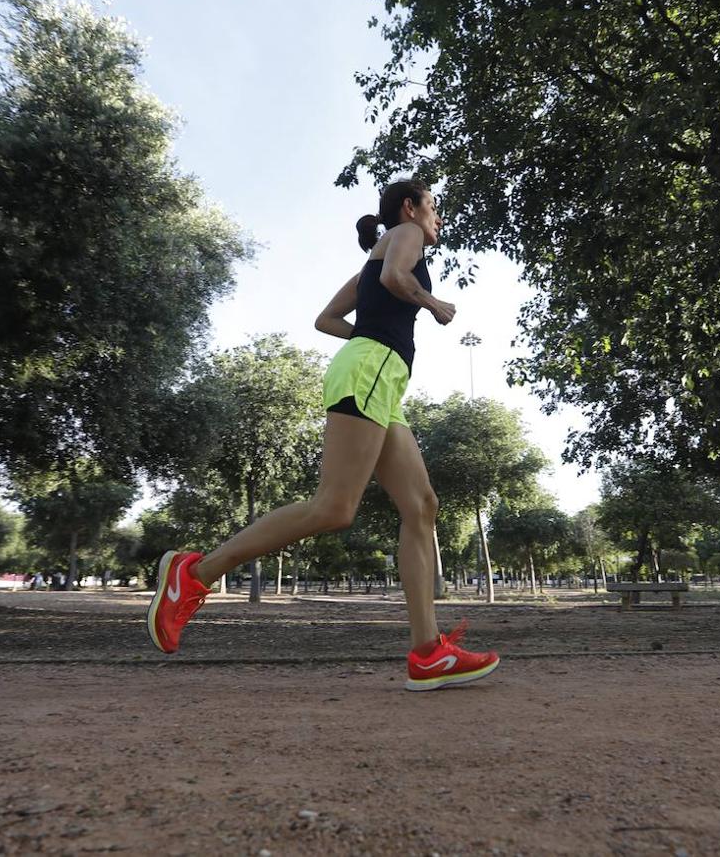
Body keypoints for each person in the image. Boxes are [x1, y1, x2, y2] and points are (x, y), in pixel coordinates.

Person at [147, 179, 499, 692]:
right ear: (410, 207)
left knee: (421, 506)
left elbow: (326, 319)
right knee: (334, 508)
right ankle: (195, 573)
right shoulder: (406, 234)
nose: (438, 218)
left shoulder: (375, 257)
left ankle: (428, 653)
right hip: (371, 372)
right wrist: (432, 303)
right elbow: (400, 279)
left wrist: (373, 334)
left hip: (377, 376)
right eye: (434, 207)